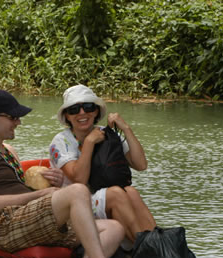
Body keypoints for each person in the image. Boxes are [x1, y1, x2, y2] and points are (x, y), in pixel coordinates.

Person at [0, 89, 141, 258]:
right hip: (5, 228)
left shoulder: (8, 150)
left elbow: (18, 189)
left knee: (114, 227)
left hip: (26, 221)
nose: (18, 122)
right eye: (13, 117)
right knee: (78, 190)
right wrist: (41, 195)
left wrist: (54, 182)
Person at [49, 84, 156, 244]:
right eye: (74, 110)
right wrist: (90, 142)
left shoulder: (106, 135)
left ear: (96, 111)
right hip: (76, 206)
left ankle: (158, 242)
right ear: (67, 116)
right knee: (116, 193)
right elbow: (79, 180)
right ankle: (146, 247)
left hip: (103, 199)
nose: (82, 113)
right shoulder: (61, 141)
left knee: (130, 191)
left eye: (88, 107)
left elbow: (141, 165)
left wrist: (126, 129)